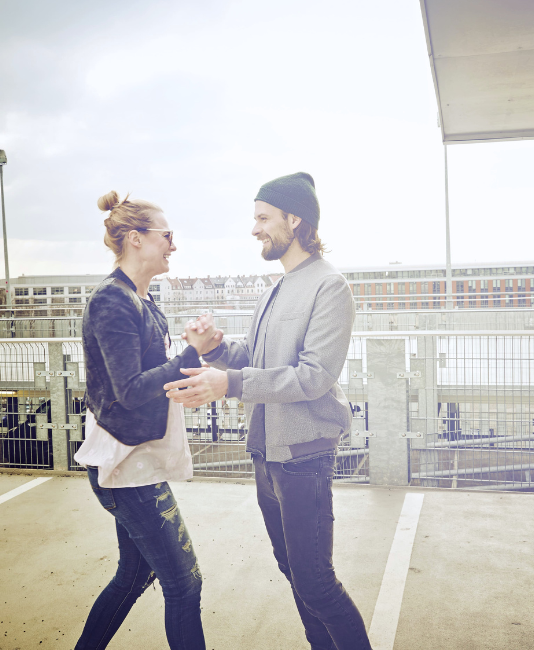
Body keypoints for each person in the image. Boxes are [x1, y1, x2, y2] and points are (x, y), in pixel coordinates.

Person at [165, 173, 372, 650]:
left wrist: (230, 384)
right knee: (295, 574)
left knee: (316, 582)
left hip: (303, 456)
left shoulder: (329, 286)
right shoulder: (275, 288)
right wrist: (213, 348)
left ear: (294, 219)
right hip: (266, 453)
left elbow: (314, 376)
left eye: (263, 218)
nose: (254, 229)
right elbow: (256, 363)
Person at [74, 190, 206, 650]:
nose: (174, 244)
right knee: (185, 585)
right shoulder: (113, 302)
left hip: (135, 457)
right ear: (136, 239)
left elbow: (151, 380)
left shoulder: (141, 300)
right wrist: (191, 356)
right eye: (167, 235)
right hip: (125, 464)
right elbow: (128, 390)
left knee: (133, 577)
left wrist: (191, 372)